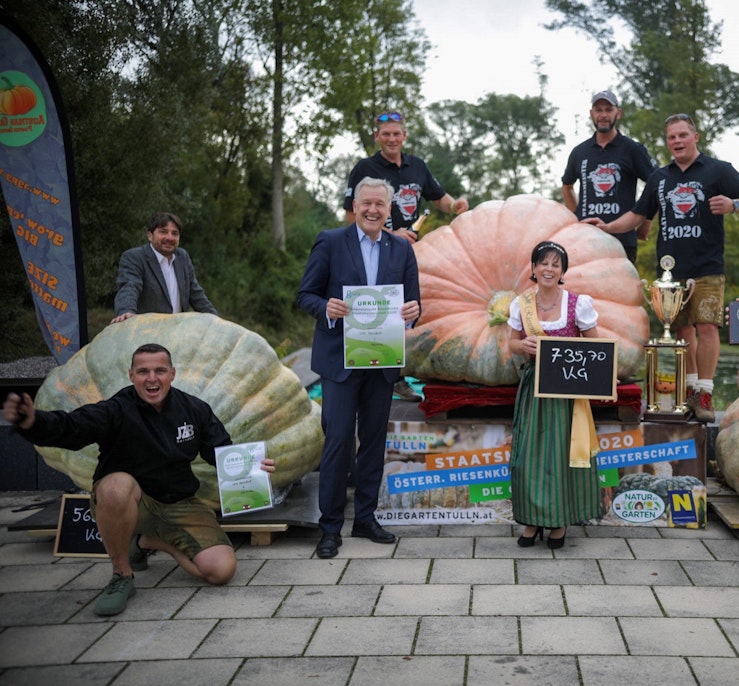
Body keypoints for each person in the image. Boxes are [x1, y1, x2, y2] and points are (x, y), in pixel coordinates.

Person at [2, 343, 275, 616]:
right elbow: (73, 427)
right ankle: (122, 575)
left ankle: (146, 541)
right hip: (132, 502)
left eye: (160, 370)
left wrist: (251, 467)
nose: (152, 378)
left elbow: (221, 453)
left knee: (221, 571)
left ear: (172, 374)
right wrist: (33, 423)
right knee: (114, 486)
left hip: (181, 504)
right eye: (143, 371)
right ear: (131, 376)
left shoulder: (194, 409)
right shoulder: (116, 410)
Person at [590, 113, 739, 422]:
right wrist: (606, 227)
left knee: (707, 326)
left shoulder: (718, 171)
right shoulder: (659, 177)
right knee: (681, 331)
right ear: (667, 142)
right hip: (669, 271)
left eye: (682, 135)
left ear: (695, 137)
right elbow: (637, 214)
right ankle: (690, 388)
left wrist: (734, 205)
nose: (677, 141)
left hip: (708, 265)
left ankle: (705, 392)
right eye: (672, 137)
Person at [299, 177, 421, 560]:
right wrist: (327, 309)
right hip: (340, 361)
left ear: (389, 209)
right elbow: (306, 295)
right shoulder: (331, 241)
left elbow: (413, 303)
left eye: (380, 205)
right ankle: (330, 527)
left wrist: (414, 313)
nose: (372, 210)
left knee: (372, 442)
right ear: (354, 205)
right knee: (337, 442)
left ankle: (365, 518)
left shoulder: (401, 249)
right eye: (366, 203)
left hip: (381, 362)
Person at [343, 111, 467, 402]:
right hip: (374, 250)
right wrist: (387, 234)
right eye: (385, 134)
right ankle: (365, 380)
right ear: (377, 137)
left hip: (410, 253)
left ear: (404, 136)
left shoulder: (417, 166)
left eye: (396, 133)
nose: (391, 139)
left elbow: (438, 197)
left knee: (404, 312)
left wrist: (455, 206)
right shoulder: (365, 168)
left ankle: (396, 379)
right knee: (374, 312)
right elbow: (351, 216)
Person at [506, 241, 605, 550]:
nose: (549, 269)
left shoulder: (578, 303)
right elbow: (509, 342)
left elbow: (596, 348)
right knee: (529, 456)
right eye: (543, 263)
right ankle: (532, 520)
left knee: (562, 455)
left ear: (563, 271)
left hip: (567, 390)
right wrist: (522, 346)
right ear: (533, 268)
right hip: (534, 387)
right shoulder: (520, 304)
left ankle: (560, 520)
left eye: (555, 264)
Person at [561, 90, 658, 265]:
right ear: (592, 114)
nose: (603, 115)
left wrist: (647, 220)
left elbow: (657, 184)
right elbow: (567, 185)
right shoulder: (579, 152)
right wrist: (577, 217)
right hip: (585, 241)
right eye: (598, 110)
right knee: (583, 291)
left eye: (608, 109)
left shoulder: (632, 149)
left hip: (622, 242)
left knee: (619, 292)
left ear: (618, 113)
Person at [111, 212, 217, 324]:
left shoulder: (182, 257)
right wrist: (126, 311)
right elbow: (129, 286)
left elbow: (197, 295)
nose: (169, 238)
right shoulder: (135, 257)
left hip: (177, 333)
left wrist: (216, 321)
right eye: (163, 232)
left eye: (175, 233)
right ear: (150, 235)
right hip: (147, 333)